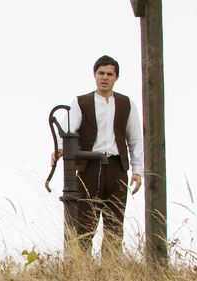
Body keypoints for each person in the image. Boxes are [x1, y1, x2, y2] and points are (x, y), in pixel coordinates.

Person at [51, 55, 144, 256]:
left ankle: (111, 272)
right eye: (101, 73)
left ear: (116, 78)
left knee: (114, 224)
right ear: (94, 75)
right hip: (89, 167)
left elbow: (135, 138)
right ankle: (83, 272)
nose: (105, 78)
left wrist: (137, 170)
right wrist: (59, 150)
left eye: (109, 74)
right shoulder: (81, 102)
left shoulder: (126, 104)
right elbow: (67, 129)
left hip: (117, 167)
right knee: (85, 224)